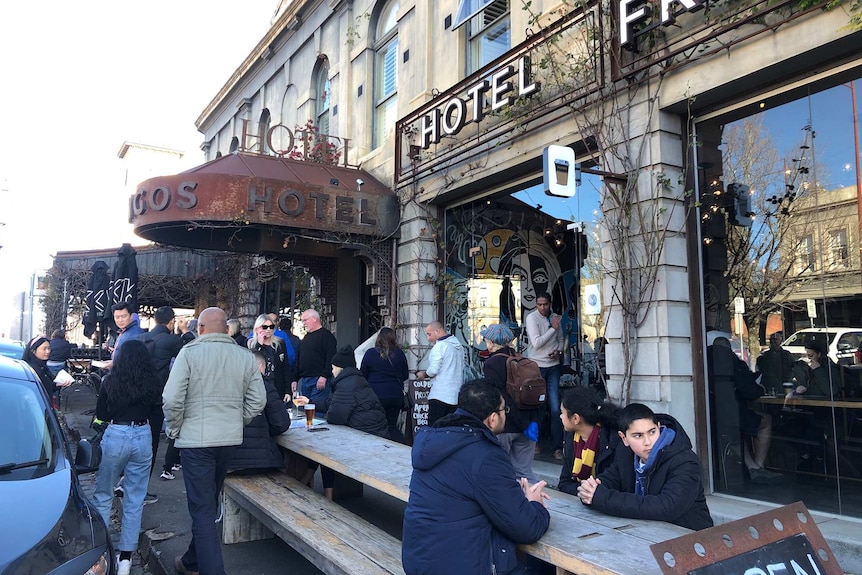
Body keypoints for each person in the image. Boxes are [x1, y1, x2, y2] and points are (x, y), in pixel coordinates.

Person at [402, 380, 551, 575]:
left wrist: (513, 494)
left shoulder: (433, 441)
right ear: (492, 419)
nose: (506, 414)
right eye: (504, 410)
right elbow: (526, 528)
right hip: (459, 567)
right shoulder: (486, 455)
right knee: (540, 567)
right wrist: (535, 503)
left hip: (419, 562)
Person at [162, 307, 267, 575]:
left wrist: (175, 429)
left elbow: (172, 399)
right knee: (208, 504)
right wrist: (238, 421)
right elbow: (258, 400)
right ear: (226, 329)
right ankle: (190, 562)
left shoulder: (189, 353)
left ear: (200, 329)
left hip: (195, 442)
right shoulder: (244, 357)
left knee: (202, 510)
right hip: (228, 441)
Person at [577, 403, 714, 531]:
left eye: (652, 432)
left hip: (693, 541)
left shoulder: (685, 461)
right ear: (624, 438)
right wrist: (590, 490)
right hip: (644, 535)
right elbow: (608, 480)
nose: (648, 442)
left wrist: (602, 498)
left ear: (659, 427)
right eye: (638, 436)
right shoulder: (625, 453)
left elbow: (666, 507)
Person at [91, 339, 162, 575]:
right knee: (134, 498)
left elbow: (102, 413)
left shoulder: (111, 381)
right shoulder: (153, 382)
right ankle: (126, 558)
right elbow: (156, 415)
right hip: (142, 434)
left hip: (116, 433)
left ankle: (101, 551)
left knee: (103, 494)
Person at [708, 336, 778, 483]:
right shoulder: (734, 362)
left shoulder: (702, 361)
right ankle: (759, 466)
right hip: (733, 416)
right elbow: (750, 392)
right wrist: (760, 389)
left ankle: (753, 468)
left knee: (732, 431)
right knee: (766, 421)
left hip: (711, 417)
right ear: (729, 349)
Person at [480, 323, 540, 482]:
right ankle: (535, 501)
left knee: (499, 471)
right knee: (525, 473)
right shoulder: (522, 359)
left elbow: (498, 395)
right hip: (528, 424)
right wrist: (530, 423)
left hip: (504, 425)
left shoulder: (491, 364)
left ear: (491, 342)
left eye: (486, 340)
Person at [137, 306, 183, 482]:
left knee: (138, 434)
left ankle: (130, 479)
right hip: (158, 395)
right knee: (153, 438)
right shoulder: (173, 341)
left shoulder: (141, 337)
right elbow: (186, 357)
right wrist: (184, 332)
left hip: (140, 394)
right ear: (171, 322)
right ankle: (143, 482)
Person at [228, 351, 291, 474]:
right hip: (261, 461)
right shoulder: (265, 386)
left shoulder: (227, 386)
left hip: (229, 460)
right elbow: (281, 424)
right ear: (261, 367)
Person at [557, 386, 623, 496]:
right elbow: (564, 483)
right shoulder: (571, 438)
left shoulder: (612, 439)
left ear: (575, 419)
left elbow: (616, 484)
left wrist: (591, 492)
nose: (560, 416)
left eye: (562, 412)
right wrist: (584, 491)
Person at [525, 292, 564, 459]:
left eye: (545, 304)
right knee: (537, 405)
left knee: (556, 407)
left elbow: (561, 339)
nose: (542, 307)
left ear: (550, 303)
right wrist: (552, 328)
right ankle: (535, 443)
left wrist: (559, 351)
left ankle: (557, 447)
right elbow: (537, 343)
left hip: (553, 366)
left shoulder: (555, 318)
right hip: (536, 366)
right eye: (539, 304)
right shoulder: (532, 318)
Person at [360, 327, 409, 442]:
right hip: (395, 395)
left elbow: (363, 374)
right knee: (391, 426)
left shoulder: (371, 353)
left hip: (376, 395)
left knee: (377, 426)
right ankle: (402, 447)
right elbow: (405, 375)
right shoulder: (400, 354)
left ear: (379, 338)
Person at [415, 321, 465, 425]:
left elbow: (434, 370)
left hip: (440, 395)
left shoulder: (440, 346)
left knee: (435, 428)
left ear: (437, 331)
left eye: (429, 334)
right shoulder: (459, 346)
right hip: (455, 395)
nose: (428, 338)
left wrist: (423, 374)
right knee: (451, 429)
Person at [293, 309, 338, 410]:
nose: (303, 323)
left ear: (314, 319)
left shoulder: (326, 336)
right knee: (304, 411)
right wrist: (294, 379)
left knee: (316, 411)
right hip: (305, 380)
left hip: (319, 380)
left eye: (305, 320)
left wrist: (324, 376)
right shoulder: (305, 338)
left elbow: (331, 358)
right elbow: (299, 359)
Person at [247, 314, 292, 400]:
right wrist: (259, 345)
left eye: (271, 327)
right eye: (265, 327)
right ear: (257, 329)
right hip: (258, 389)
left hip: (276, 387)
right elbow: (251, 365)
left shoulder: (279, 343)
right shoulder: (250, 344)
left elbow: (285, 368)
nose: (268, 329)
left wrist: (287, 391)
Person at [106, 303, 145, 368]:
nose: (120, 320)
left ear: (131, 316)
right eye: (117, 317)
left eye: (123, 316)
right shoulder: (123, 332)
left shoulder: (136, 333)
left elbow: (135, 360)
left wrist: (114, 364)